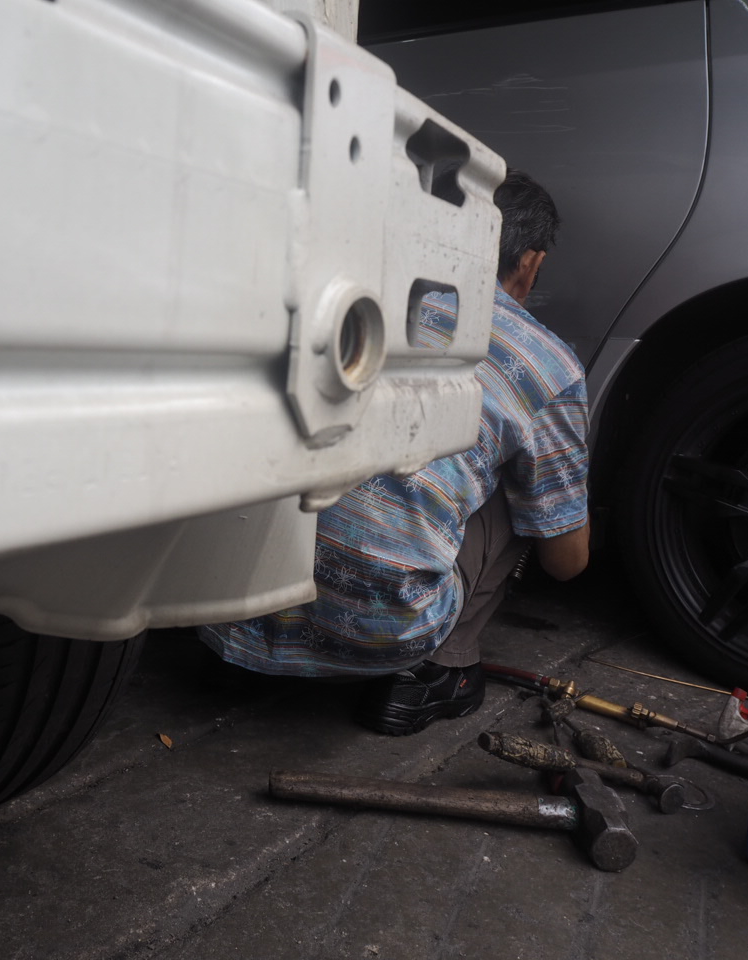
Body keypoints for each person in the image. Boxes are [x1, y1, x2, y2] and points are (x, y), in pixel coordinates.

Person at [198, 170, 590, 735]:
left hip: (225, 604)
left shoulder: (340, 300)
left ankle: (252, 655)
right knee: (534, 489)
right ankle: (434, 674)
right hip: (380, 633)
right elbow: (566, 562)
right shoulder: (548, 363)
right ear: (529, 262)